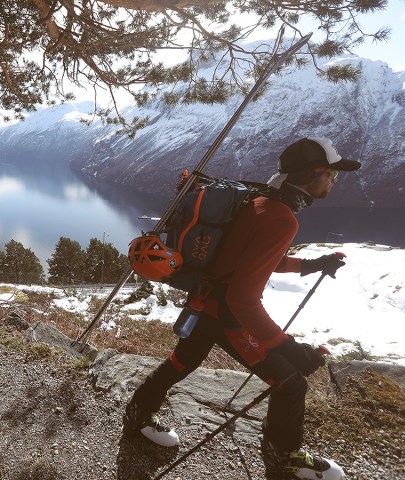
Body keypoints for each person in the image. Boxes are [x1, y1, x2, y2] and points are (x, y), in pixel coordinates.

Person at [123, 137, 361, 480]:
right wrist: (290, 348)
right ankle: (284, 459)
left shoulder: (259, 200)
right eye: (332, 175)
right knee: (291, 382)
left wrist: (312, 264)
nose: (334, 182)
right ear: (313, 175)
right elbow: (243, 299)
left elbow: (249, 260)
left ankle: (137, 416)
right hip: (228, 318)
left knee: (181, 362)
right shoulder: (282, 218)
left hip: (204, 302)